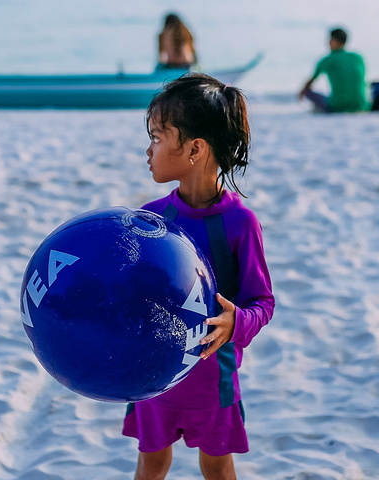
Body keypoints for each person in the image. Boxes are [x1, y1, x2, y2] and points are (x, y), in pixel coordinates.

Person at [122, 73, 275, 480]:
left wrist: (235, 322)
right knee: (152, 462)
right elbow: (133, 291)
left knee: (217, 467)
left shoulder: (240, 223)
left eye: (157, 137)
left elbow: (262, 302)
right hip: (155, 377)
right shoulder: (153, 218)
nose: (148, 149)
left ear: (194, 148)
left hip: (213, 382)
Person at [299, 28, 369, 113]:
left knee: (308, 93)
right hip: (361, 105)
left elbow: (310, 82)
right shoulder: (358, 57)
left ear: (333, 41)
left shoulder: (327, 59)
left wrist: (302, 92)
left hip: (337, 107)